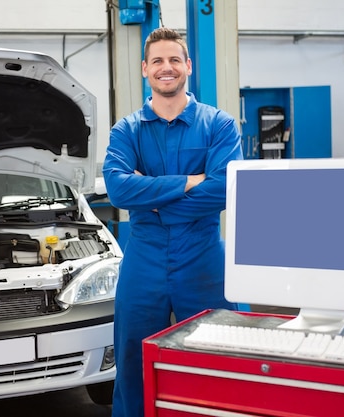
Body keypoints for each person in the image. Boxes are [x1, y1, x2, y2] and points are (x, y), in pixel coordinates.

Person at [102, 27, 244, 417]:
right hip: (144, 255)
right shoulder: (126, 130)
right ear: (145, 68)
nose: (168, 68)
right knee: (131, 355)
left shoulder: (219, 125)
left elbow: (225, 190)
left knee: (219, 349)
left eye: (175, 60)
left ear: (189, 67)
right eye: (159, 61)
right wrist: (186, 182)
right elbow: (118, 192)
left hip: (202, 254)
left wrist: (155, 202)